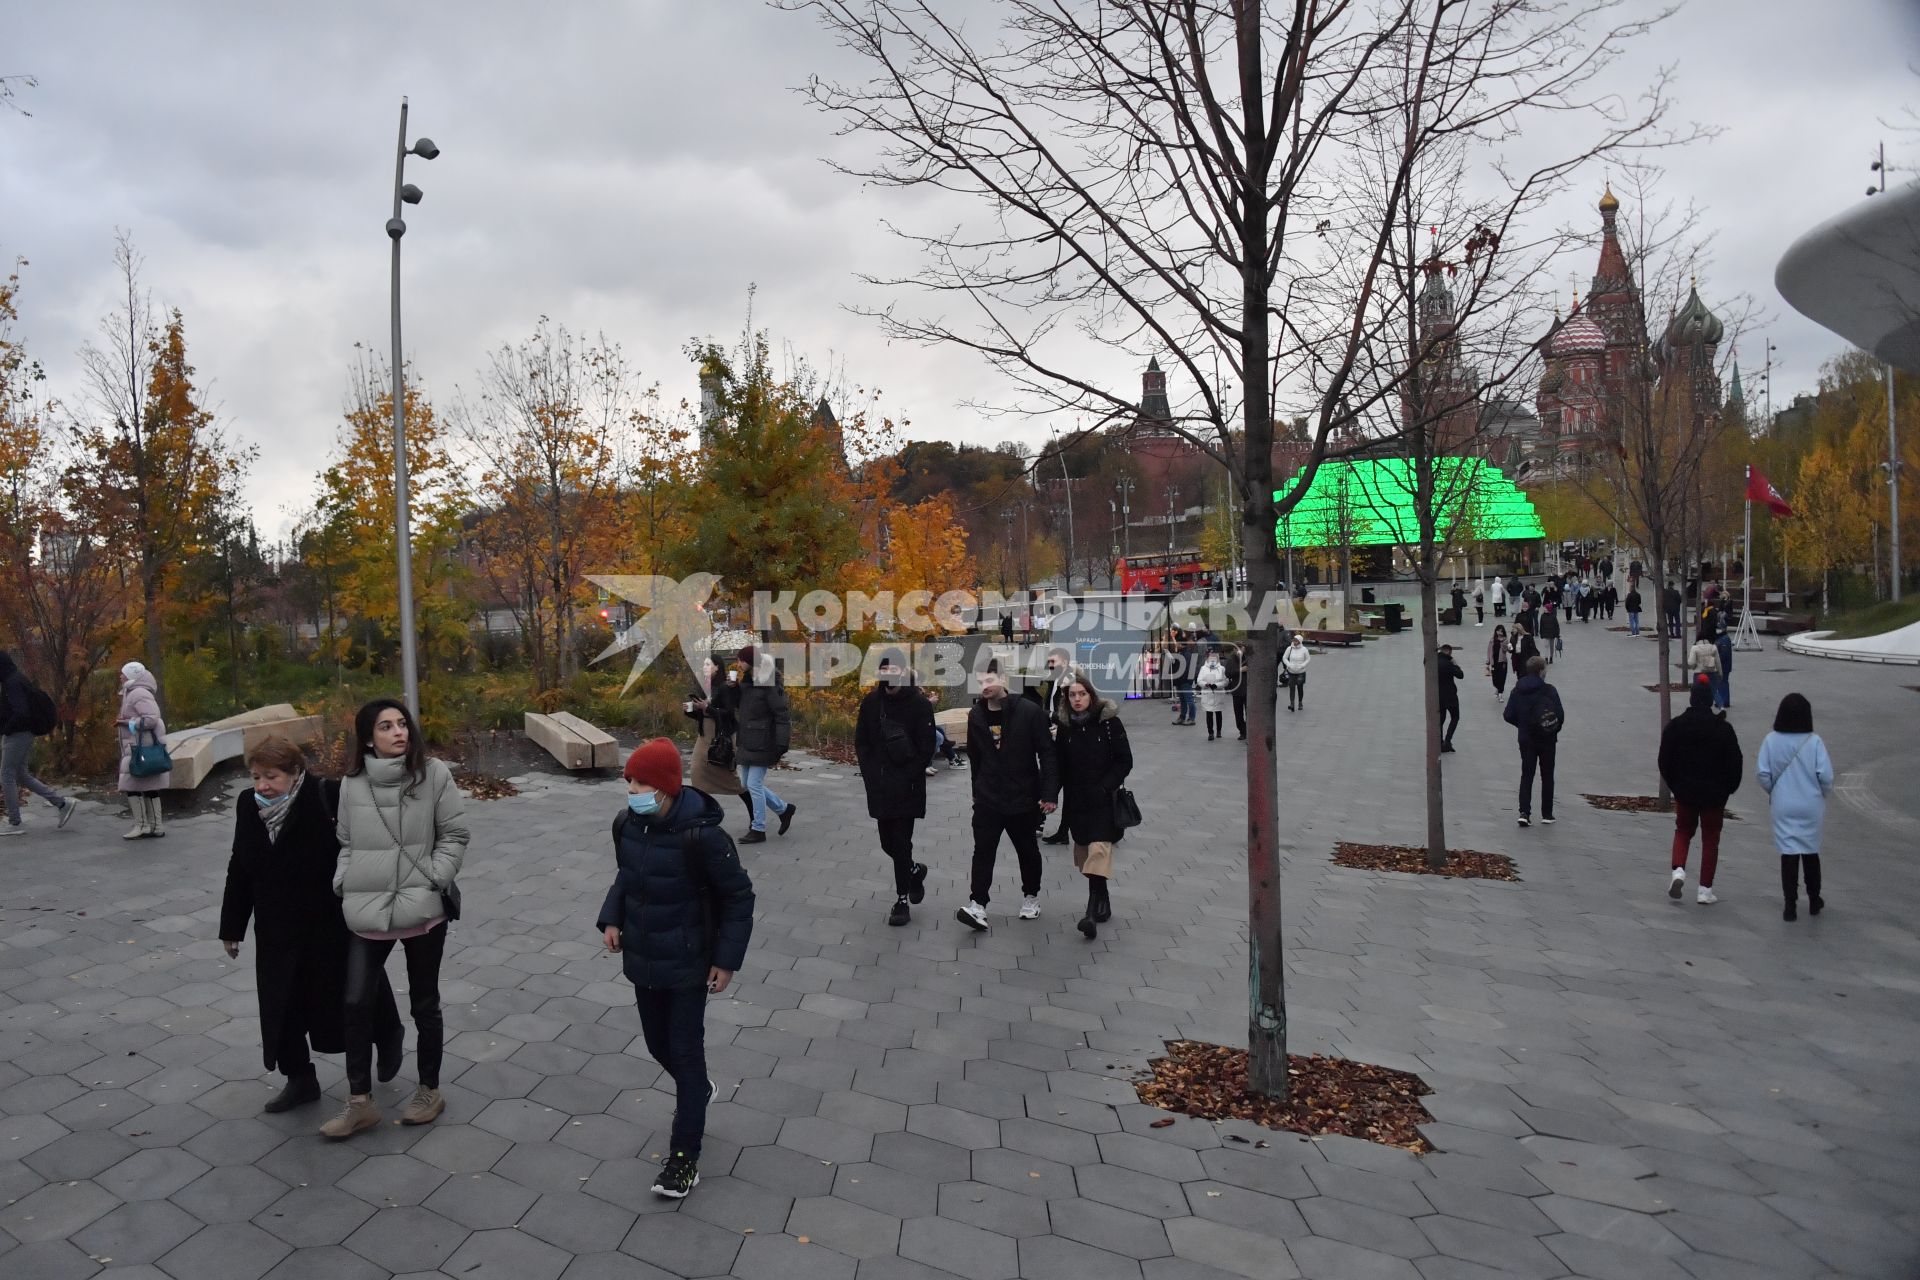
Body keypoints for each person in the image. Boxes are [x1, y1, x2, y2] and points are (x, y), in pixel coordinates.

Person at [597, 738, 755, 1198]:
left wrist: (726, 960)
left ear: (665, 787)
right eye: (628, 783)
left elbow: (739, 897)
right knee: (655, 1043)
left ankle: (684, 1159)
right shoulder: (627, 824)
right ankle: (698, 1090)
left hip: (689, 963)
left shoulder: (703, 835)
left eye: (641, 783)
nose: (632, 792)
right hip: (644, 957)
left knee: (684, 1055)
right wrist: (611, 916)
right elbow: (627, 877)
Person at [219, 736, 402, 1114]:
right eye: (256, 777)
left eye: (271, 776)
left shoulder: (326, 795)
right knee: (280, 1004)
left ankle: (387, 1035)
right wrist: (232, 926)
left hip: (330, 923)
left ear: (294, 772)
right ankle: (299, 1079)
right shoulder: (247, 806)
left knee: (357, 989)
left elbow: (369, 841)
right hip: (276, 929)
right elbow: (240, 867)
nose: (261, 786)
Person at [326, 698, 469, 1139]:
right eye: (386, 727)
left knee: (424, 1003)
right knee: (354, 1002)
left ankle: (429, 1089)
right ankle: (359, 1102)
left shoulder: (434, 774)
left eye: (402, 724)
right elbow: (346, 841)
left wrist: (435, 878)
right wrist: (343, 881)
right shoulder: (352, 784)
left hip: (422, 909)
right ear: (368, 738)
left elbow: (455, 834)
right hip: (367, 908)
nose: (398, 732)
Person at [957, 663, 1058, 931]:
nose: (984, 686)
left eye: (989, 679)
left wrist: (1049, 793)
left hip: (1023, 796)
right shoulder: (976, 716)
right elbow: (975, 759)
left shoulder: (1028, 712)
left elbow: (1047, 753)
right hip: (988, 798)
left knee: (1027, 850)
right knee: (983, 852)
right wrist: (976, 794)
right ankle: (978, 904)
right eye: (979, 681)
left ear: (1003, 679)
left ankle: (1031, 897)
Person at [855, 652, 937, 926]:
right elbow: (862, 742)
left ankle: (902, 901)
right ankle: (914, 870)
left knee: (901, 843)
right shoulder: (871, 703)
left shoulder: (919, 705)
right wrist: (869, 773)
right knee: (887, 843)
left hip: (908, 787)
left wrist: (910, 775)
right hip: (879, 786)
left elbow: (927, 747)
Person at [1052, 673, 1132, 940]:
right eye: (1072, 695)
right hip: (1077, 803)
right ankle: (1103, 898)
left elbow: (1124, 761)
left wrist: (1105, 786)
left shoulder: (1109, 723)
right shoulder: (1065, 728)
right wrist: (1049, 795)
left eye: (1082, 694)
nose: (1077, 699)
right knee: (1086, 855)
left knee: (1099, 851)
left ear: (1091, 695)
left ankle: (1089, 915)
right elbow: (1058, 767)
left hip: (1103, 801)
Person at [1657, 677, 1743, 905]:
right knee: (1710, 839)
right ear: (1710, 701)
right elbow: (1735, 763)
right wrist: (1728, 789)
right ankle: (1705, 889)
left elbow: (1664, 759)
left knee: (1683, 831)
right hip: (1714, 796)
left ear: (1691, 699)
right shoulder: (1724, 730)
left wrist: (1675, 785)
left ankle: (1678, 870)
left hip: (1685, 791)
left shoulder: (1676, 726)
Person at [1757, 693, 1834, 922]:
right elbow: (1826, 776)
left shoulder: (1771, 740)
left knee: (1788, 853)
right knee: (1811, 852)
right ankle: (1814, 899)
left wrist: (1774, 791)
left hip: (1784, 804)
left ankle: (1790, 905)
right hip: (1811, 804)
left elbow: (1762, 773)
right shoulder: (1814, 741)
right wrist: (1821, 794)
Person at [0, 650, 75, 835]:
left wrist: (7, 728)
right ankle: (62, 803)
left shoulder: (11, 683)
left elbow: (21, 711)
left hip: (18, 734)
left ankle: (14, 822)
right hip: (23, 732)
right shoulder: (15, 679)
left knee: (6, 775)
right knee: (21, 775)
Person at [734, 646, 797, 844]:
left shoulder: (769, 684)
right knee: (745, 784)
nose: (738, 663)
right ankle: (784, 809)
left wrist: (781, 743)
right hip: (746, 740)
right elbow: (737, 706)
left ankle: (758, 828)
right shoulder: (746, 682)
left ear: (751, 661)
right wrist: (731, 688)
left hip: (764, 741)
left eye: (741, 659)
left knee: (753, 784)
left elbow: (782, 715)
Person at [686, 656, 754, 829]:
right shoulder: (704, 686)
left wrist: (707, 708)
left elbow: (728, 714)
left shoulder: (725, 687)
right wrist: (690, 710)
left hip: (721, 737)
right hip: (704, 736)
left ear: (717, 667)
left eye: (708, 664)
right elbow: (702, 713)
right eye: (704, 663)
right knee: (696, 773)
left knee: (732, 780)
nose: (704, 667)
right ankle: (701, 817)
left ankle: (756, 818)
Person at [1502, 655, 1564, 828]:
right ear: (1540, 671)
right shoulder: (1549, 690)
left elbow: (1508, 715)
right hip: (1547, 739)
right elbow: (1560, 715)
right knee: (1547, 775)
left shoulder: (1517, 690)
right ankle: (1547, 813)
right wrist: (1551, 729)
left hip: (1526, 739)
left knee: (1527, 774)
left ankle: (1524, 812)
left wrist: (1522, 725)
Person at [115, 661, 170, 839]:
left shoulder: (137, 693)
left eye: (123, 673)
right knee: (149, 786)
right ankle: (155, 826)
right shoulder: (133, 692)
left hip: (139, 747)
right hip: (141, 746)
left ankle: (142, 825)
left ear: (132, 675)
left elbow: (151, 718)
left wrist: (127, 723)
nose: (120, 676)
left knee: (132, 785)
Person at [1436, 644, 1464, 753]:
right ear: (1449, 652)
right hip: (1450, 696)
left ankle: (1439, 742)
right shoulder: (1448, 663)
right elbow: (1460, 675)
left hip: (1438, 695)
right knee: (1455, 717)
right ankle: (1447, 741)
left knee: (1441, 719)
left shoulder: (1435, 661)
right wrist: (1455, 663)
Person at [1196, 648, 1229, 741]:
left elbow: (1225, 681)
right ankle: (1210, 732)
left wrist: (1217, 685)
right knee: (1209, 714)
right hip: (1208, 694)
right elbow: (1199, 680)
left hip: (1218, 694)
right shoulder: (1203, 668)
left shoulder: (1222, 669)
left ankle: (1219, 731)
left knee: (1218, 713)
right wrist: (1205, 684)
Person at [1280, 633, 1310, 712]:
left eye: (1296, 641)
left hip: (1301, 672)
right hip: (1291, 671)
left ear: (1300, 641)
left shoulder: (1304, 650)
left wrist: (1303, 665)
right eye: (1294, 640)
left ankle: (1300, 702)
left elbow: (1308, 659)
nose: (1294, 642)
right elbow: (1284, 658)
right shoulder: (1289, 648)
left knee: (1300, 688)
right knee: (1292, 688)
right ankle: (1292, 703)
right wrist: (1288, 665)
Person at [1224, 644, 1247, 741]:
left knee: (1249, 713)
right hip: (1237, 690)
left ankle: (1249, 732)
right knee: (1238, 713)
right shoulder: (1231, 660)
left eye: (1241, 648)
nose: (1240, 650)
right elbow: (1228, 673)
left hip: (1248, 690)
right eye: (1237, 648)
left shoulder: (1249, 658)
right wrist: (1240, 670)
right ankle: (1242, 731)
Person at [1713, 623, 1734, 710]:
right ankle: (1724, 700)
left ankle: (1724, 701)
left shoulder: (1724, 639)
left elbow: (1724, 654)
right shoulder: (1720, 638)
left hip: (1724, 666)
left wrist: (1715, 659)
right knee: (1722, 682)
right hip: (1722, 665)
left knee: (1723, 682)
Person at [1486, 625, 1510, 698]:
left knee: (1502, 677)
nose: (1499, 632)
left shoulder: (1506, 640)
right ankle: (1497, 688)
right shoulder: (1492, 640)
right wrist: (1488, 660)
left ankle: (1500, 692)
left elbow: (1508, 650)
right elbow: (1489, 650)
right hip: (1494, 662)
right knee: (1494, 677)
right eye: (1498, 630)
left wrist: (1502, 642)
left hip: (1502, 662)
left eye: (1501, 631)